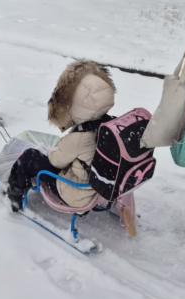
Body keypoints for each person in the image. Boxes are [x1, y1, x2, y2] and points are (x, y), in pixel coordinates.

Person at [7, 60, 115, 211]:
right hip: (96, 184)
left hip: (74, 192)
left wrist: (48, 152)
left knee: (29, 157)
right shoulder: (109, 124)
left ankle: (14, 196)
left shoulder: (80, 136)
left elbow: (56, 161)